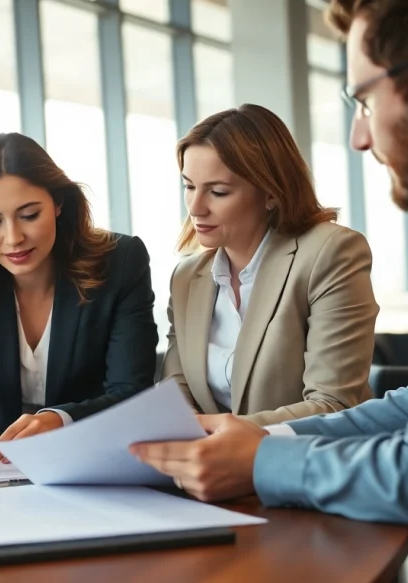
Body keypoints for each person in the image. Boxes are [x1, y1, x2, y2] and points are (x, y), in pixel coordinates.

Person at [132, 0, 408, 579]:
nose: (359, 136)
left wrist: (264, 458)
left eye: (364, 100)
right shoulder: (189, 274)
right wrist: (254, 437)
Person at [0, 132, 159, 469]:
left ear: (58, 203)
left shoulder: (120, 261)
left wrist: (61, 419)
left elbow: (132, 393)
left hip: (92, 457)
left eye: (28, 215)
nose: (13, 238)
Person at [162, 104, 377, 426]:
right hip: (212, 468)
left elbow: (333, 404)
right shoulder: (186, 276)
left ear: (271, 193)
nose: (195, 208)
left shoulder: (331, 252)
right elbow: (176, 390)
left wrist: (221, 432)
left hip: (312, 463)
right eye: (189, 186)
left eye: (218, 192)